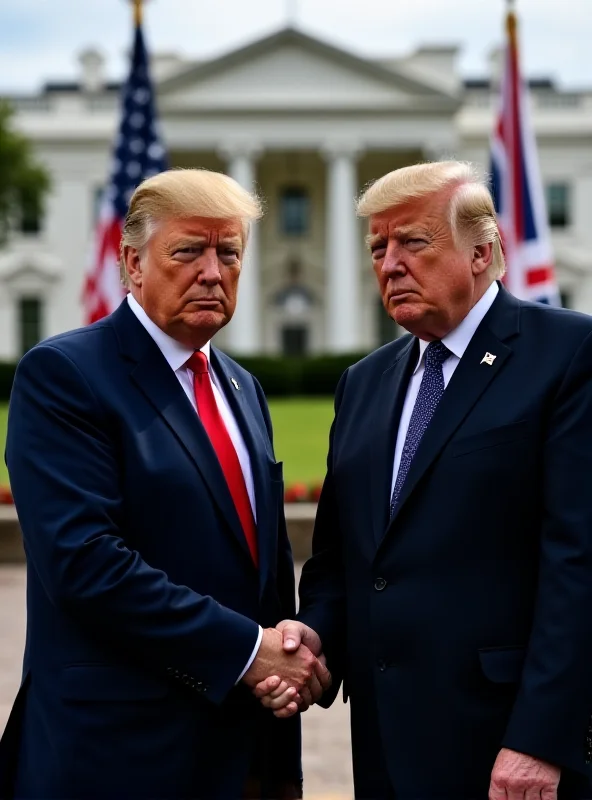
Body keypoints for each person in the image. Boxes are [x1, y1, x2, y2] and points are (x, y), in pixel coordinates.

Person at [260, 162, 592, 798]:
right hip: (387, 740)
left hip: (509, 745)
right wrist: (314, 637)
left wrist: (541, 738)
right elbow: (340, 556)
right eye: (377, 247)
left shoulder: (567, 354)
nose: (389, 264)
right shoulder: (363, 383)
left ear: (483, 250)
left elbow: (579, 563)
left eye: (413, 241)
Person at [0, 168, 329, 799]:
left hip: (239, 758)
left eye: (228, 252)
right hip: (118, 758)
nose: (212, 271)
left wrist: (280, 759)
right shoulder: (65, 375)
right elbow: (86, 565)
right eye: (188, 251)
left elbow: (264, 576)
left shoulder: (241, 387)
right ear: (131, 263)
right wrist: (249, 650)